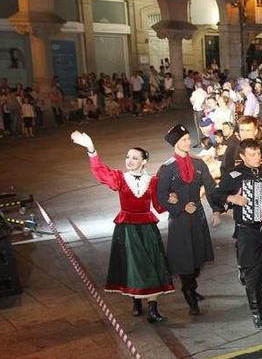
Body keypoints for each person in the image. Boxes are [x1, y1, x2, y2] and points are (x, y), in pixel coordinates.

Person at [71, 131, 173, 323]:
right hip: (127, 228)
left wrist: (174, 199)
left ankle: (152, 308)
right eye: (128, 157)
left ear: (144, 161)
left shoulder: (153, 181)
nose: (130, 160)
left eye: (135, 158)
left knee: (153, 264)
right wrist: (91, 149)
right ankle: (136, 300)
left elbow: (159, 206)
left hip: (147, 228)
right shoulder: (119, 178)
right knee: (133, 266)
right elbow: (100, 171)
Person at [210, 138, 262, 328]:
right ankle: (256, 313)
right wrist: (231, 197)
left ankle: (256, 289)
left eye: (258, 153)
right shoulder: (235, 175)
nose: (257, 157)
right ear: (242, 156)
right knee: (252, 271)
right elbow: (215, 194)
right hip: (247, 230)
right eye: (252, 155)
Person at [156, 124, 223, 315]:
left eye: (187, 139)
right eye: (183, 140)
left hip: (198, 217)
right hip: (179, 220)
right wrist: (179, 206)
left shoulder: (199, 164)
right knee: (184, 257)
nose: (188, 143)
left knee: (197, 257)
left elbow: (210, 188)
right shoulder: (167, 169)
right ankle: (189, 292)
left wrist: (217, 210)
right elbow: (161, 195)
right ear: (175, 143)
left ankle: (191, 284)